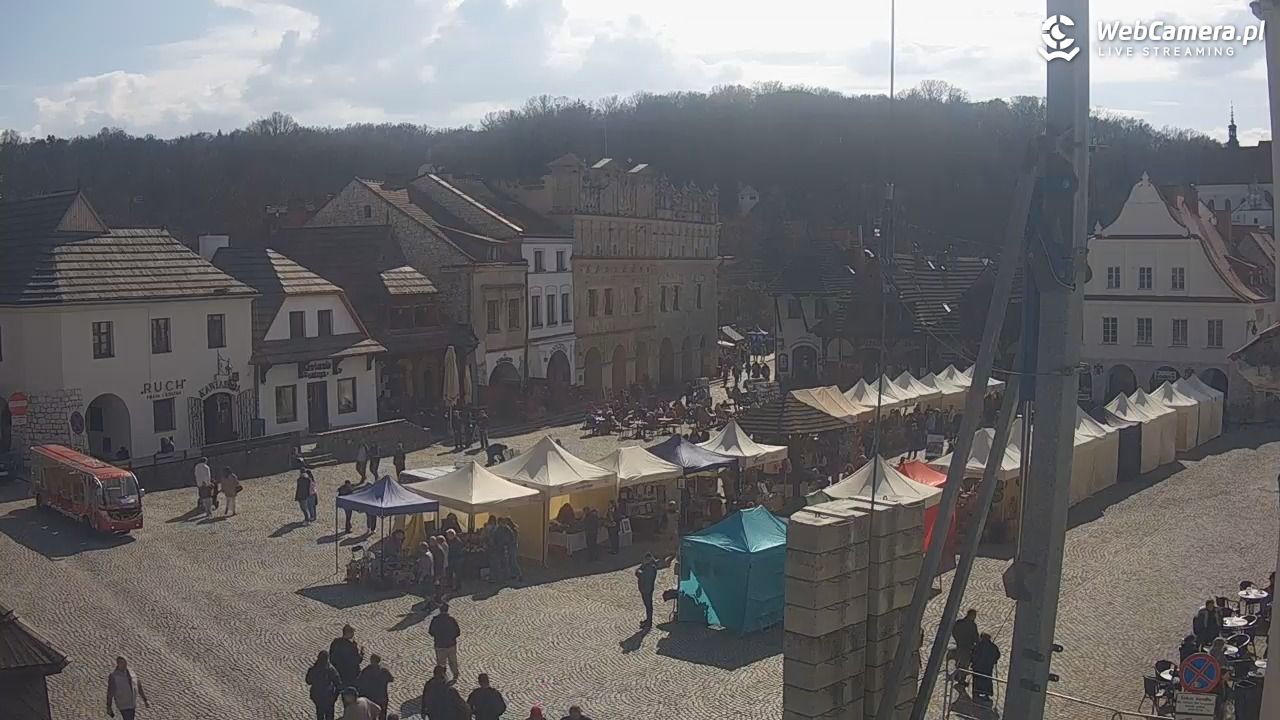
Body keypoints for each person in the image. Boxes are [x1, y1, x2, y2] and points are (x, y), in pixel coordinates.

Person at [428, 603, 462, 683]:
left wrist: (437, 636)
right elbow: (458, 632)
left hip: (440, 645)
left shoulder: (435, 620)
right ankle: (455, 675)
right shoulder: (451, 620)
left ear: (440, 610)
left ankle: (442, 677)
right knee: (453, 661)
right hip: (451, 645)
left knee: (441, 663)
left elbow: (431, 632)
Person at [356, 654, 394, 720]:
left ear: (371, 660)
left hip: (371, 697)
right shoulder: (384, 671)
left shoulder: (366, 670)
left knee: (372, 715)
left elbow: (359, 681)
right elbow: (391, 679)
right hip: (382, 696)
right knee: (382, 714)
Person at [306, 650, 342, 720]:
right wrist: (335, 695)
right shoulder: (331, 669)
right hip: (329, 696)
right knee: (329, 715)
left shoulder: (313, 669)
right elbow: (338, 683)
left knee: (320, 713)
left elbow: (308, 681)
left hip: (317, 695)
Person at [951, 609, 979, 687]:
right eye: (974, 615)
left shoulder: (959, 623)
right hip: (967, 647)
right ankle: (961, 680)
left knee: (961, 662)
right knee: (965, 664)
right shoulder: (972, 625)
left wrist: (958, 640)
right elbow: (976, 637)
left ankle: (958, 676)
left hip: (960, 645)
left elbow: (954, 631)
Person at [970, 633, 1000, 702]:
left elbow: (973, 655)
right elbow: (997, 655)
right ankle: (986, 693)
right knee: (987, 680)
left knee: (977, 680)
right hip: (988, 668)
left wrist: (973, 662)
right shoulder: (993, 647)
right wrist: (994, 661)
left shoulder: (978, 646)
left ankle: (976, 692)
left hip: (978, 667)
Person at [636, 553, 659, 628]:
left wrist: (639, 572)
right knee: (648, 606)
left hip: (646, 590)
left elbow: (641, 575)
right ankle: (648, 620)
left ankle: (649, 622)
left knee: (648, 606)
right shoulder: (648, 566)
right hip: (646, 589)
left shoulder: (650, 569)